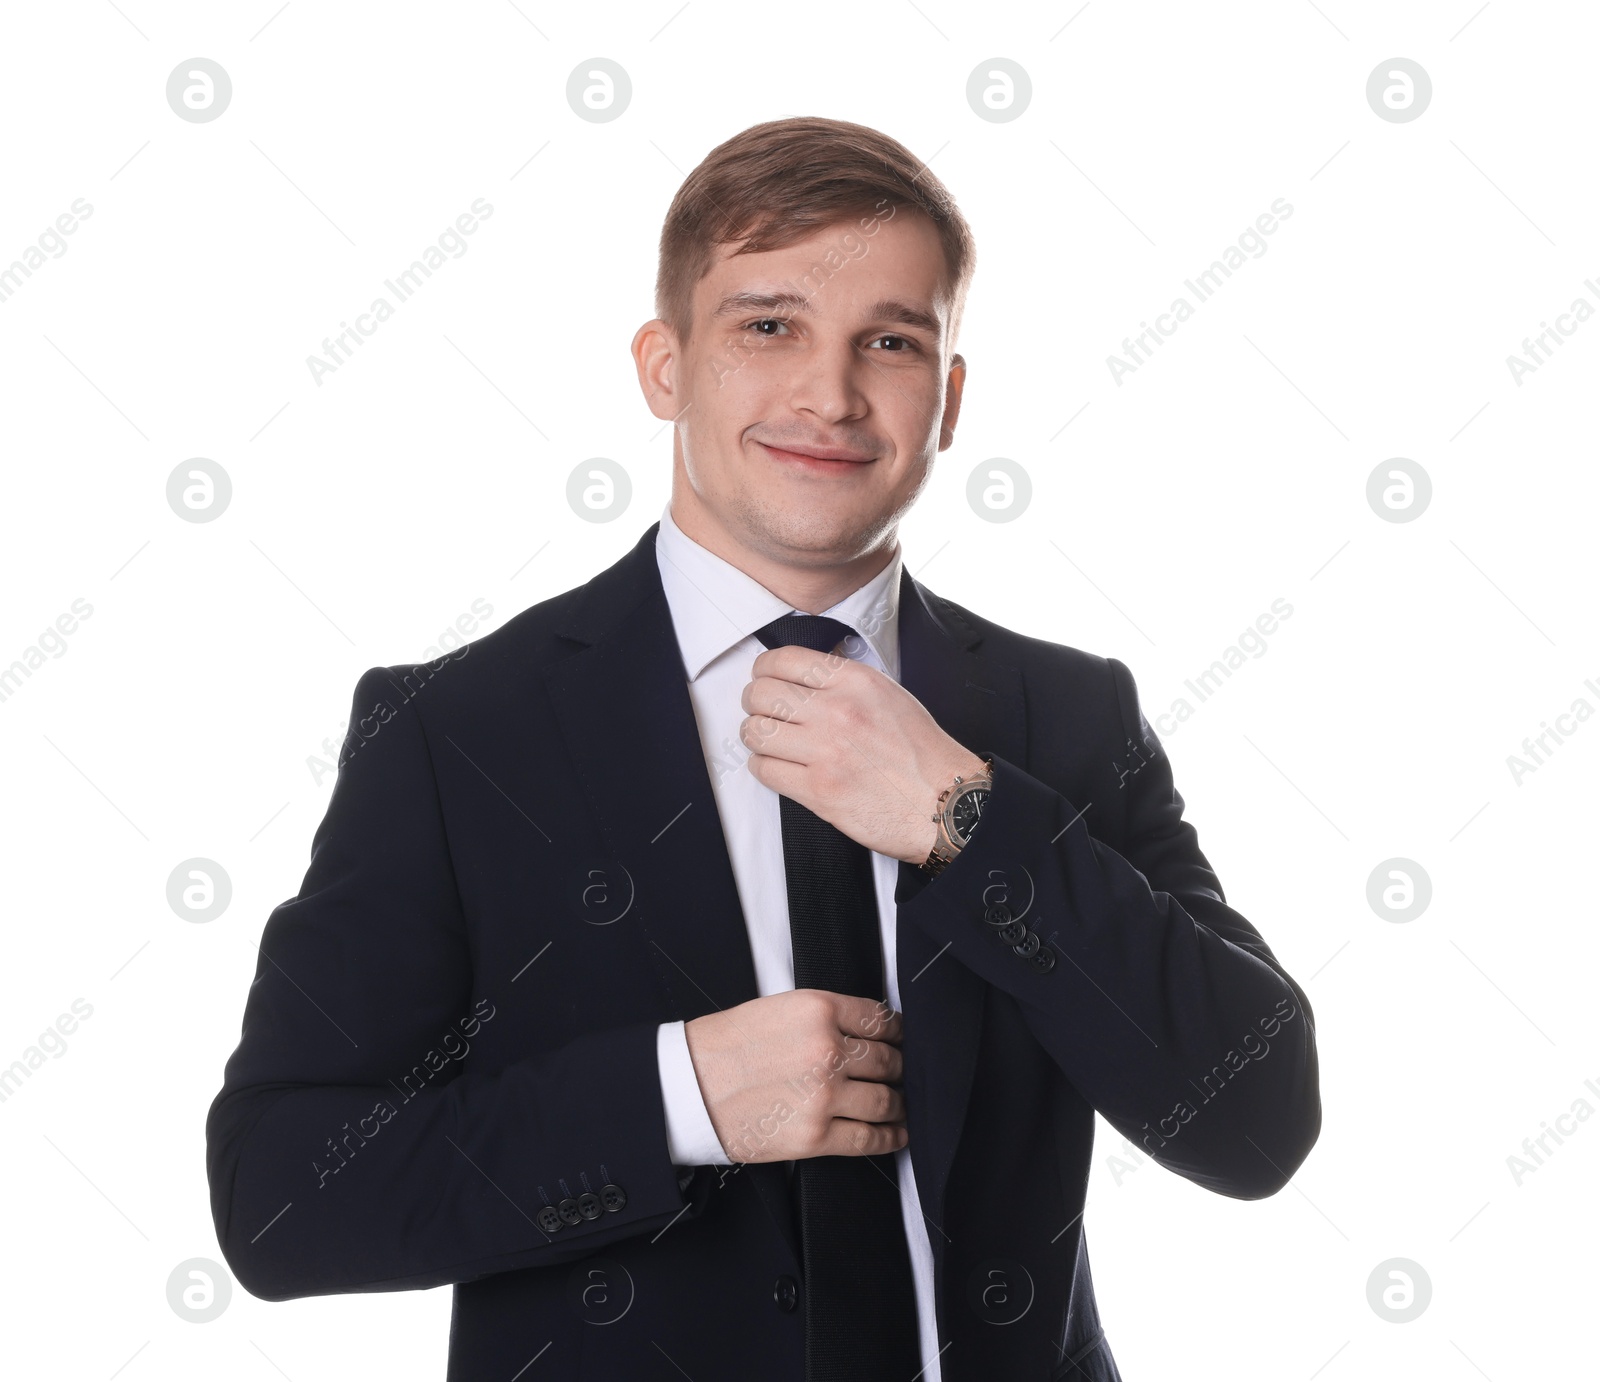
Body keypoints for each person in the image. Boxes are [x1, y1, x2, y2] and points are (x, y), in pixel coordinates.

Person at [206, 115, 1320, 1382]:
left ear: (947, 397)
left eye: (889, 341)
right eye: (768, 325)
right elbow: (279, 1195)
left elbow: (1256, 1119)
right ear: (664, 365)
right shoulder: (459, 734)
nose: (830, 395)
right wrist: (676, 1097)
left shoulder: (1061, 718)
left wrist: (966, 813)